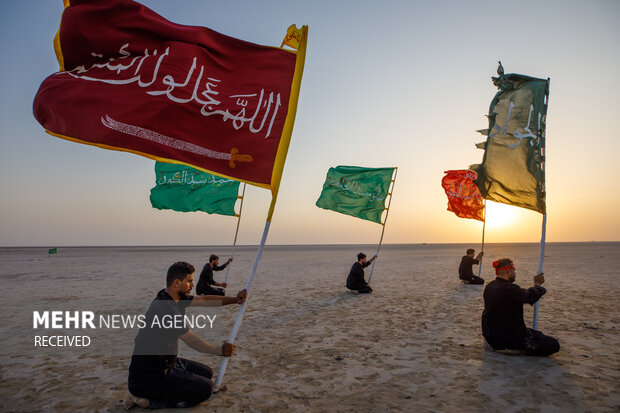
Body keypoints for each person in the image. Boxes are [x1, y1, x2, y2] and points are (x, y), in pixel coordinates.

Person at [125, 261, 247, 409]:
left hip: (166, 362)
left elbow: (204, 301)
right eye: (189, 281)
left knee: (207, 373)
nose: (192, 285)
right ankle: (147, 401)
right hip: (149, 376)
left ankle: (153, 394)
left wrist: (234, 300)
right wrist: (220, 350)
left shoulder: (172, 297)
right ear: (177, 283)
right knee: (205, 389)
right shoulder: (166, 309)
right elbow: (192, 341)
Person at [482, 258, 560, 356]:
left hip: (492, 336)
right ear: (508, 271)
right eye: (513, 270)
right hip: (507, 339)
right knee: (554, 345)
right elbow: (530, 297)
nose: (514, 273)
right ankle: (512, 349)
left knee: (538, 334)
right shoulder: (510, 289)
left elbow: (511, 299)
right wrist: (537, 285)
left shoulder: (489, 286)